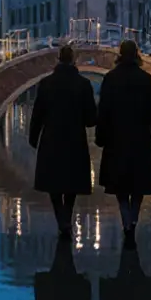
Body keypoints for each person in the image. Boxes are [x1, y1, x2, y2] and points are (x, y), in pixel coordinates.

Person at [95, 39, 151, 242]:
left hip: (116, 140)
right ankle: (132, 220)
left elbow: (103, 112)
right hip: (140, 140)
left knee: (120, 186)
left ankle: (126, 219)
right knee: (138, 185)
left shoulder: (110, 79)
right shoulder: (147, 80)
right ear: (137, 54)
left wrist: (100, 138)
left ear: (119, 54)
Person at [29, 45, 98, 236]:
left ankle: (62, 219)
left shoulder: (46, 83)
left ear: (58, 59)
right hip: (75, 138)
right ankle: (66, 217)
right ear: (73, 60)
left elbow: (37, 115)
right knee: (71, 182)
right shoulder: (84, 84)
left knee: (53, 182)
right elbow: (91, 119)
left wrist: (33, 138)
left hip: (51, 138)